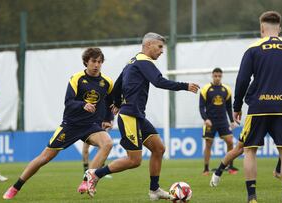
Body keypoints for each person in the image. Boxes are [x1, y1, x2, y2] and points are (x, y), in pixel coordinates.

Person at [84, 32, 200, 200]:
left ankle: (154, 190)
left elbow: (117, 85)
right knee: (134, 160)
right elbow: (158, 81)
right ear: (148, 45)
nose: (162, 51)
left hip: (137, 116)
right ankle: (95, 174)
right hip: (130, 116)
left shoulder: (133, 61)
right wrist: (185, 86)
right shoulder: (144, 61)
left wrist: (116, 102)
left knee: (159, 148)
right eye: (159, 47)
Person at [3, 48, 114, 199]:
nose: (97, 65)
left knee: (107, 143)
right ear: (86, 62)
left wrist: (108, 119)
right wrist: (83, 105)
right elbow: (68, 102)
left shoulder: (107, 82)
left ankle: (87, 180)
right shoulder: (77, 79)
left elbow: (110, 102)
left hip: (91, 126)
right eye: (94, 61)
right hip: (71, 125)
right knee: (44, 157)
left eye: (100, 62)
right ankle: (15, 187)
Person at [232, 11, 282, 203]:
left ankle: (252, 198)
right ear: (279, 29)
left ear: (261, 28)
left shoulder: (253, 49)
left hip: (258, 107)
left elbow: (242, 80)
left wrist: (237, 105)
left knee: (250, 150)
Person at [210, 91, 282, 187]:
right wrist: (243, 105)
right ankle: (218, 172)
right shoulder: (262, 78)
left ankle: (278, 170)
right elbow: (247, 90)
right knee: (240, 148)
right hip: (258, 113)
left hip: (279, 112)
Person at [199, 67, 238, 176]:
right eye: (215, 76)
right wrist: (205, 119)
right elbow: (201, 107)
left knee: (230, 142)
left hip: (223, 121)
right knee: (208, 144)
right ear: (212, 76)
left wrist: (232, 121)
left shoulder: (227, 90)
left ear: (221, 76)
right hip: (210, 121)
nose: (217, 78)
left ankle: (230, 166)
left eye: (219, 76)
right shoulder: (205, 89)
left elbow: (229, 107)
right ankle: (206, 169)